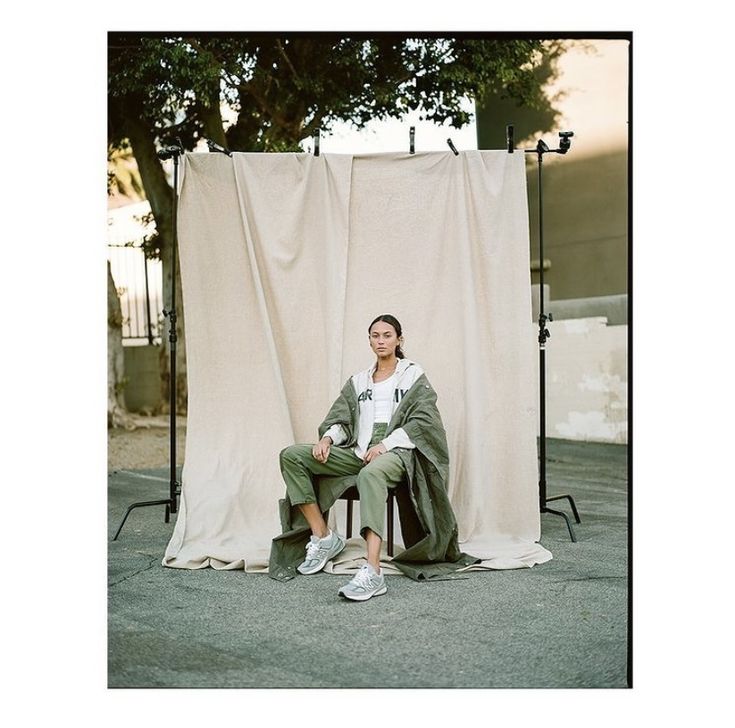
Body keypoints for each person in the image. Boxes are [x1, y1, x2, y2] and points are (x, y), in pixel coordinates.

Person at [271, 314, 477, 599]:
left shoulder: (413, 375)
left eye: (387, 335)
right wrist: (329, 438)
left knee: (371, 473)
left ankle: (373, 570)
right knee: (292, 455)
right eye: (375, 335)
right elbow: (343, 421)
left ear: (399, 340)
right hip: (358, 452)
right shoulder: (358, 381)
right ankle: (323, 536)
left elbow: (424, 422)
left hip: (398, 454)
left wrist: (387, 444)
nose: (381, 340)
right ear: (369, 340)